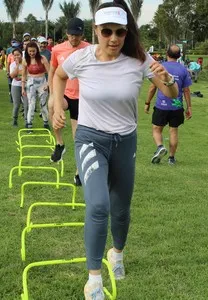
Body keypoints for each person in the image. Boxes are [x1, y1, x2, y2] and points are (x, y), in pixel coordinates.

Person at [51, 1, 178, 299]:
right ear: (95, 31)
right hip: (91, 139)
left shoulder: (139, 60)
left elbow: (170, 95)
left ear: (126, 32)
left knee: (121, 209)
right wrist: (58, 103)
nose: (113, 38)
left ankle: (116, 253)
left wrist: (169, 80)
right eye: (106, 31)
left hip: (125, 142)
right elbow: (58, 75)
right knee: (98, 206)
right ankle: (94, 278)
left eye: (119, 32)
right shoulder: (81, 57)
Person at [48, 17, 89, 186]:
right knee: (51, 105)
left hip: (83, 97)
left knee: (78, 136)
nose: (74, 38)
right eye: (72, 35)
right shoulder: (57, 50)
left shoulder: (89, 49)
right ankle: (59, 143)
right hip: (64, 94)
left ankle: (79, 172)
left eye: (78, 35)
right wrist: (52, 93)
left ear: (82, 35)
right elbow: (52, 72)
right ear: (66, 34)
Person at [145, 44, 192, 165]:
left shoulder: (160, 67)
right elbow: (186, 90)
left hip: (162, 105)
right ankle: (171, 158)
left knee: (156, 129)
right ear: (179, 55)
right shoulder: (183, 69)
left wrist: (147, 102)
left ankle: (160, 146)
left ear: (167, 53)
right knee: (173, 131)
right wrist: (189, 107)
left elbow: (152, 87)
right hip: (177, 106)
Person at [22, 41, 50, 130]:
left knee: (43, 104)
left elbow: (50, 72)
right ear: (27, 51)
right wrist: (23, 88)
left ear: (37, 50)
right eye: (30, 51)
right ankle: (29, 123)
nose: (32, 53)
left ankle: (46, 122)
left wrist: (48, 84)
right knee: (31, 103)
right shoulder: (25, 60)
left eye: (33, 51)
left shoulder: (42, 59)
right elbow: (23, 75)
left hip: (42, 82)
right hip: (31, 83)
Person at [10, 48, 28, 127]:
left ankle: (27, 121)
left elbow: (26, 75)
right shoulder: (13, 64)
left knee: (27, 104)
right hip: (16, 86)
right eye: (15, 55)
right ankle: (15, 120)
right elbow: (13, 76)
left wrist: (20, 76)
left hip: (26, 86)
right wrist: (17, 66)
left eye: (18, 55)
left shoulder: (26, 62)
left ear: (22, 55)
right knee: (16, 104)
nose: (16, 57)